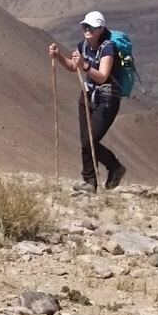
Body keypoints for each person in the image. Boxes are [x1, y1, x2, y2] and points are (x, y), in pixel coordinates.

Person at [50, 10, 127, 191]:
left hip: (106, 99)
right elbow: (72, 65)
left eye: (91, 27)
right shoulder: (83, 45)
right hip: (87, 97)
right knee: (86, 140)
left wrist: (85, 65)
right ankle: (89, 181)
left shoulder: (108, 48)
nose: (87, 29)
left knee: (88, 141)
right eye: (85, 26)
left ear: (100, 28)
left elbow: (102, 76)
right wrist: (59, 56)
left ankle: (114, 167)